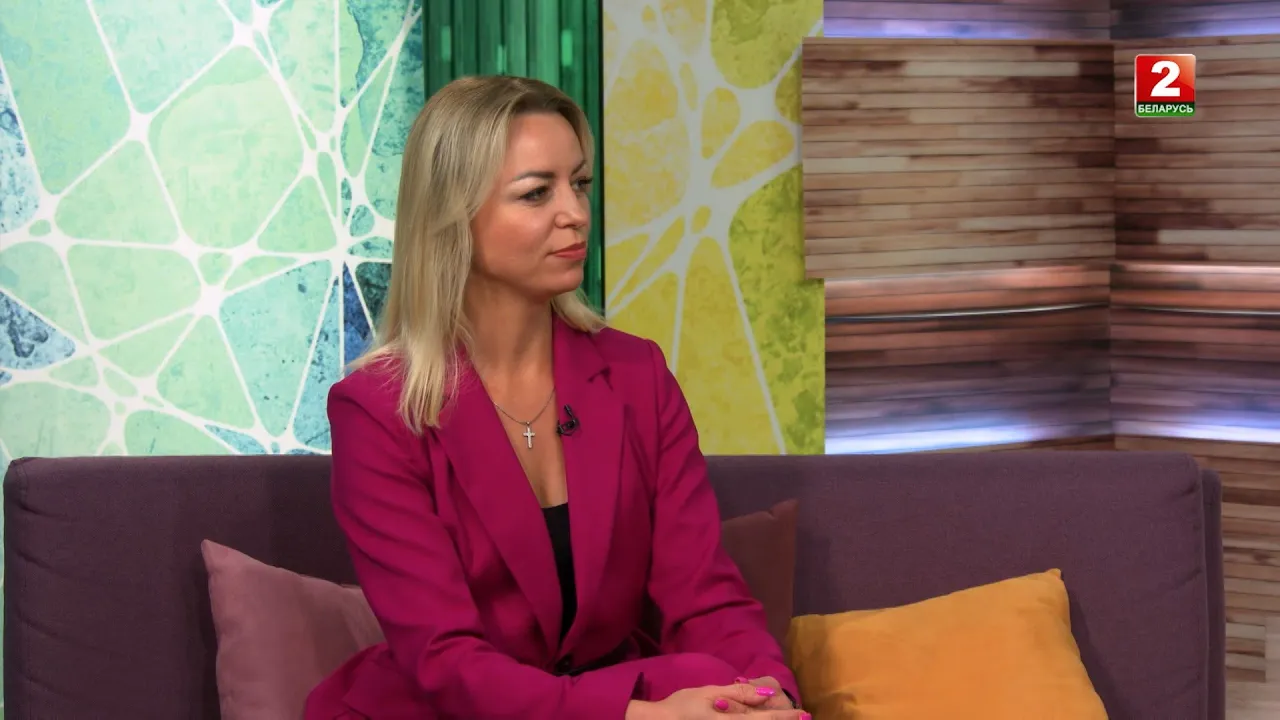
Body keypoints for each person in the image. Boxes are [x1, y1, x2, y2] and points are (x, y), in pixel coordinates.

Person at [305, 75, 807, 720]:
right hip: (455, 708)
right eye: (536, 192)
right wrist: (636, 717)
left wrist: (770, 694)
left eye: (580, 183)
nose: (575, 213)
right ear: (453, 215)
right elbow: (444, 660)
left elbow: (703, 595)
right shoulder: (377, 410)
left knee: (715, 682)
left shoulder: (637, 375)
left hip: (608, 692)